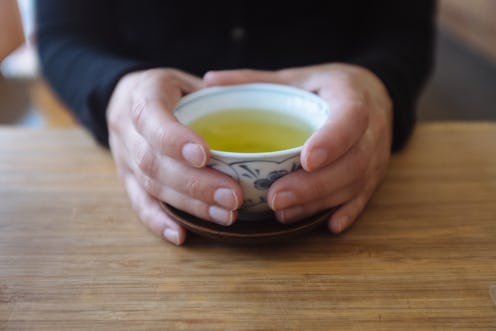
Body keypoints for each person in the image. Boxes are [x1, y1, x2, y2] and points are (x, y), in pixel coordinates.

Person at [35, 1, 436, 245]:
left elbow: (405, 30)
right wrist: (119, 94)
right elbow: (63, 35)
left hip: (341, 191)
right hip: (152, 189)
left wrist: (377, 87)